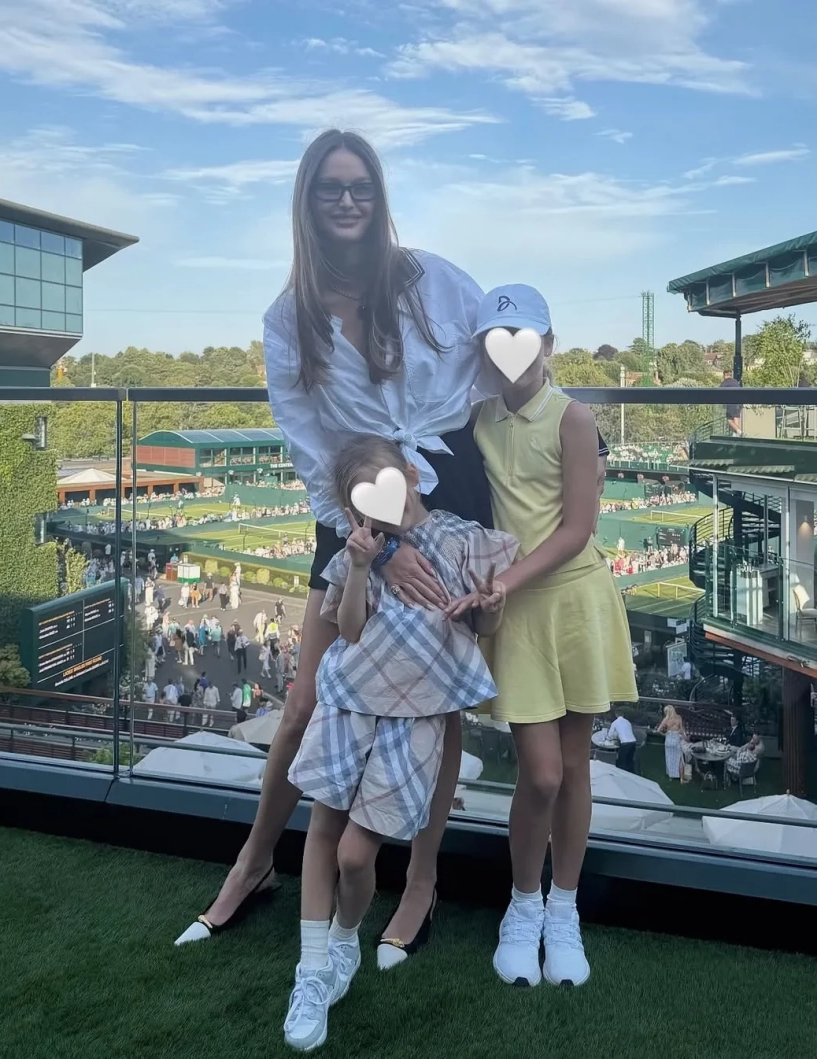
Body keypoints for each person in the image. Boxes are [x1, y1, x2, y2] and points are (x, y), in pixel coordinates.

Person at [174, 128, 500, 957]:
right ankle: (254, 861)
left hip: (448, 492)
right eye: (331, 187)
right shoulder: (287, 320)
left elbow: (505, 346)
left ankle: (420, 880)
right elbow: (309, 445)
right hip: (354, 506)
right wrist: (380, 548)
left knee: (439, 701)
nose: (348, 199)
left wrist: (562, 429)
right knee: (305, 700)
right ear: (309, 201)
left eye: (361, 185)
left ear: (379, 196)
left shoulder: (430, 278)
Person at [282, 436, 516, 1049]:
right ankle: (312, 969)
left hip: (417, 716)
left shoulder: (461, 539)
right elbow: (349, 631)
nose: (382, 508)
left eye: (388, 486)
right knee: (322, 830)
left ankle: (344, 938)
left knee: (356, 855)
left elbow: (484, 623)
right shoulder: (362, 551)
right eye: (365, 503)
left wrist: (491, 605)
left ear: (412, 474)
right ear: (353, 511)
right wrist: (362, 565)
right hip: (348, 702)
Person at [451, 283, 637, 989]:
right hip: (519, 610)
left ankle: (564, 908)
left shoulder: (574, 418)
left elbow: (578, 529)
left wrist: (505, 579)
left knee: (576, 764)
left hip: (574, 599)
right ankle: (523, 904)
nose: (511, 356)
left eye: (524, 340)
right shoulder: (477, 419)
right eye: (496, 343)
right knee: (542, 772)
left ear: (548, 345)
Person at [657, 704, 687, 780]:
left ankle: (671, 775)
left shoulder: (666, 720)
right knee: (679, 758)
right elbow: (681, 730)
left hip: (669, 739)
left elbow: (658, 730)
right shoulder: (679, 718)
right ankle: (680, 776)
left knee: (669, 758)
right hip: (676, 739)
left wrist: (664, 734)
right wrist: (684, 736)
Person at [607, 709, 637, 774]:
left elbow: (610, 735)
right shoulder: (628, 722)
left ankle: (621, 775)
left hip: (625, 743)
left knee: (622, 762)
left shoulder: (615, 723)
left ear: (616, 715)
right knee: (629, 761)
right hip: (633, 742)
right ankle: (631, 774)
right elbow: (626, 732)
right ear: (623, 715)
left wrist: (608, 739)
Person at [720, 369, 742, 436]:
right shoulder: (735, 381)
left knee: (729, 419)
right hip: (739, 403)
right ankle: (736, 435)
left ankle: (740, 432)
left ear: (724, 375)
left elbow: (718, 392)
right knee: (736, 418)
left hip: (731, 403)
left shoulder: (725, 383)